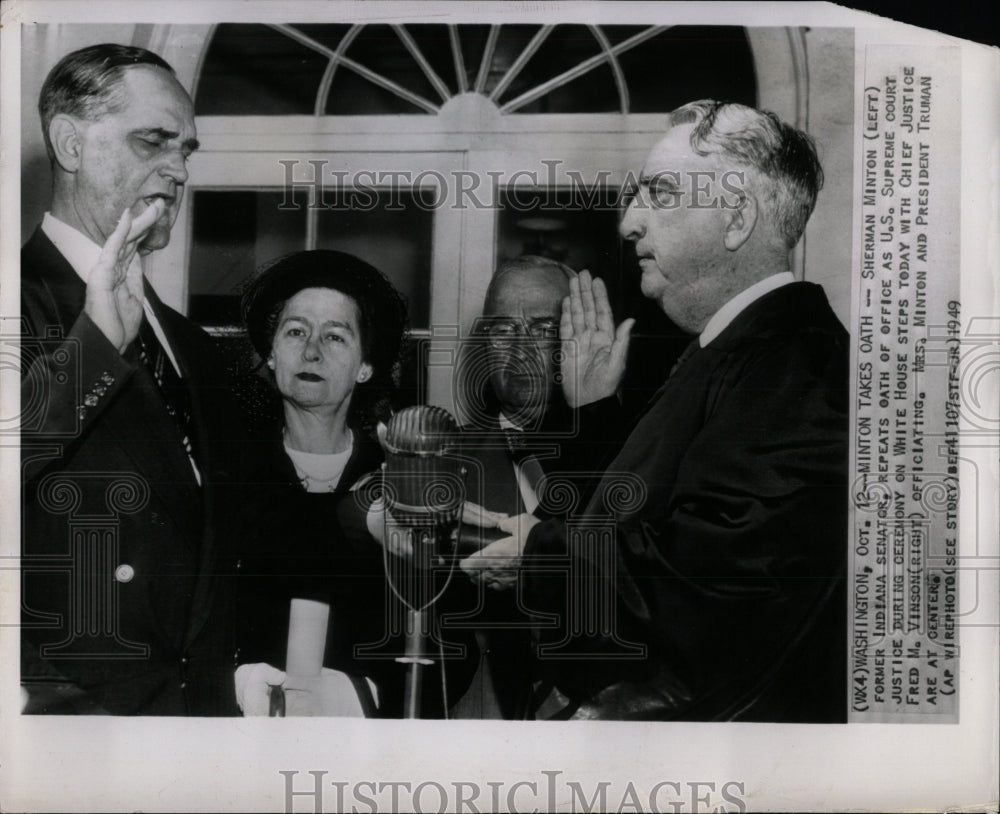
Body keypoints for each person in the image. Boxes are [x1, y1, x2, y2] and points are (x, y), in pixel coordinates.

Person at [462, 100, 849, 722]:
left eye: (660, 193)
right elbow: (646, 525)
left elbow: (706, 595)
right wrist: (594, 416)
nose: (629, 222)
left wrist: (536, 556)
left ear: (737, 218)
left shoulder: (799, 367)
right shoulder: (736, 349)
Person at [19, 43, 248, 715]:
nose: (177, 170)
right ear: (69, 142)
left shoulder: (193, 347)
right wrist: (92, 348)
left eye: (185, 150)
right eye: (153, 141)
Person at [449, 255, 628, 718]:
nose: (521, 348)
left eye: (545, 328)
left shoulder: (627, 451)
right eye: (504, 330)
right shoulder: (450, 459)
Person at [234, 249, 411, 717]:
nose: (311, 350)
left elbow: (439, 638)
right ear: (271, 354)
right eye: (295, 332)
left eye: (335, 336)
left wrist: (364, 698)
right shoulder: (226, 474)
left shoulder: (398, 479)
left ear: (365, 365)